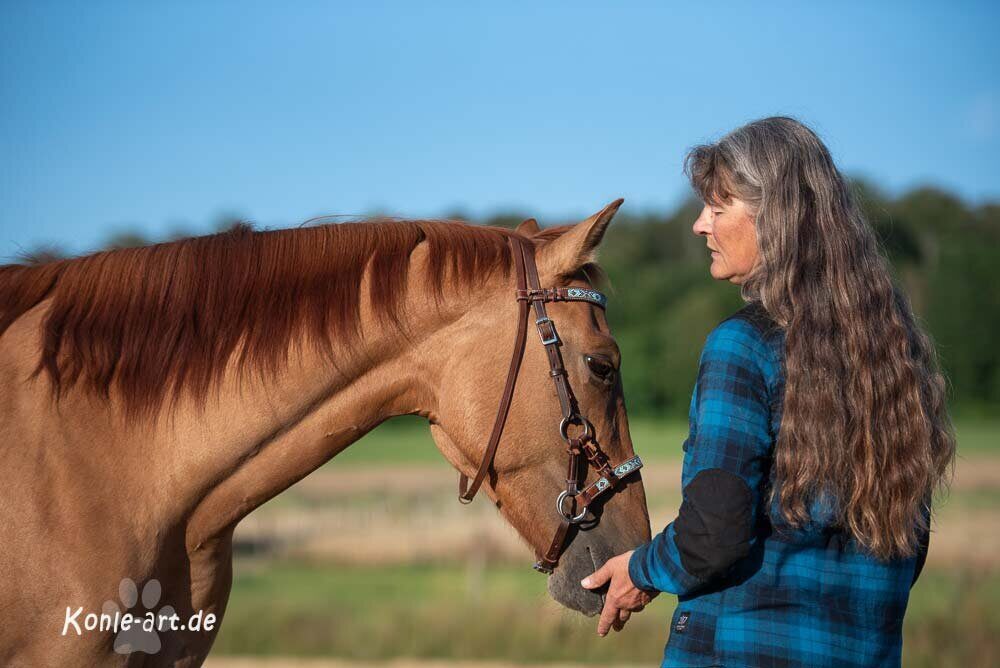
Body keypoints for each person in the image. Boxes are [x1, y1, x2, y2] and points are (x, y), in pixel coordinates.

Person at [581, 116, 956, 668]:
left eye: (718, 206)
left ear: (776, 217)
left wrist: (639, 570)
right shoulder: (896, 361)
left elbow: (714, 532)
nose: (699, 225)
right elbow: (908, 548)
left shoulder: (743, 347)